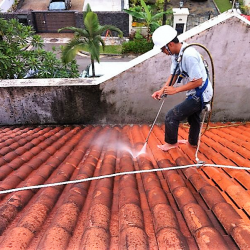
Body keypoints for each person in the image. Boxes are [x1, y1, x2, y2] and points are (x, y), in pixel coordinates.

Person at [151, 25, 213, 151]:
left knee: (172, 116)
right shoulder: (176, 54)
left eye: (163, 49)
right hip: (195, 91)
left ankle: (171, 143)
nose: (163, 52)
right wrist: (162, 90)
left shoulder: (189, 55)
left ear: (170, 44)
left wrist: (175, 90)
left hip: (200, 93)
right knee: (193, 117)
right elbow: (173, 74)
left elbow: (198, 81)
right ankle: (192, 143)